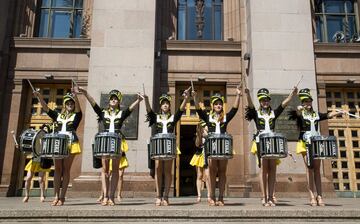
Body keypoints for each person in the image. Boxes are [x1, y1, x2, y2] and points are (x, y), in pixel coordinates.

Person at [79, 87, 142, 206]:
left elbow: (130, 109)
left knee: (115, 170)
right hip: (105, 141)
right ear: (109, 101)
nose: (113, 100)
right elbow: (94, 105)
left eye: (116, 99)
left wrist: (138, 101)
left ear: (118, 102)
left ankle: (112, 196)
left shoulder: (121, 114)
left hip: (117, 141)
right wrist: (86, 93)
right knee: (105, 169)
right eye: (112, 98)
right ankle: (105, 196)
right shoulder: (103, 113)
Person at [288, 88, 342, 206]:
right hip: (305, 143)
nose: (307, 103)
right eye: (305, 101)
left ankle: (320, 196)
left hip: (317, 143)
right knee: (309, 168)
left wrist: (338, 112)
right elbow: (295, 111)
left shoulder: (316, 115)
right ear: (302, 103)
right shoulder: (300, 114)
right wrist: (299, 108)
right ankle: (311, 196)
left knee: (317, 170)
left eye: (309, 101)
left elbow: (327, 115)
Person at [245, 87, 297, 206]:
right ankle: (263, 197)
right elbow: (251, 106)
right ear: (260, 101)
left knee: (272, 169)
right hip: (261, 142)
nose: (265, 102)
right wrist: (247, 94)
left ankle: (270, 197)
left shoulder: (273, 113)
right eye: (263, 100)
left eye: (267, 99)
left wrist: (292, 95)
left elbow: (283, 105)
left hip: (272, 142)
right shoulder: (256, 113)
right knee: (263, 170)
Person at [193, 86, 241, 206]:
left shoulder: (225, 118)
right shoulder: (208, 117)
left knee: (223, 172)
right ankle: (212, 196)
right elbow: (198, 110)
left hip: (223, 147)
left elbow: (234, 110)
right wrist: (194, 98)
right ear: (213, 106)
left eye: (220, 104)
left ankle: (221, 197)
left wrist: (238, 95)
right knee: (212, 172)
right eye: (216, 104)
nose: (218, 106)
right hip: (212, 147)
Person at [33, 89, 82, 206]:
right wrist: (39, 96)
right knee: (58, 169)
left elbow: (79, 109)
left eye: (72, 103)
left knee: (66, 169)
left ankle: (62, 197)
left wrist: (76, 97)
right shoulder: (58, 115)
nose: (70, 105)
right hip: (58, 143)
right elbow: (46, 108)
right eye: (68, 103)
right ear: (65, 105)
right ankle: (55, 196)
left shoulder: (76, 116)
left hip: (71, 143)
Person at [143, 89, 190, 206]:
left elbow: (180, 110)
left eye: (167, 103)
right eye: (163, 103)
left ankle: (166, 196)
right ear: (161, 105)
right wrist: (147, 100)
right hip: (158, 145)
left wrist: (185, 99)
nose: (165, 105)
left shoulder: (173, 118)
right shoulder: (156, 117)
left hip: (169, 145)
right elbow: (149, 111)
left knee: (168, 171)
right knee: (158, 169)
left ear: (169, 106)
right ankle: (158, 196)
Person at [22, 124, 52, 203]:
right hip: (34, 160)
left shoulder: (49, 139)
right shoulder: (36, 136)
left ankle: (42, 195)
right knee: (28, 178)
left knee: (40, 179)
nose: (45, 130)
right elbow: (29, 146)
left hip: (42, 161)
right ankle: (26, 195)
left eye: (46, 128)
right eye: (44, 128)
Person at [189, 120, 210, 203]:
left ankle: (209, 195)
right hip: (199, 156)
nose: (207, 128)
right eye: (205, 126)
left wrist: (207, 137)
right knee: (199, 175)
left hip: (207, 156)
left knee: (208, 176)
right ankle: (199, 195)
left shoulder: (210, 135)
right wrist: (200, 136)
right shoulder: (198, 136)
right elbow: (197, 145)